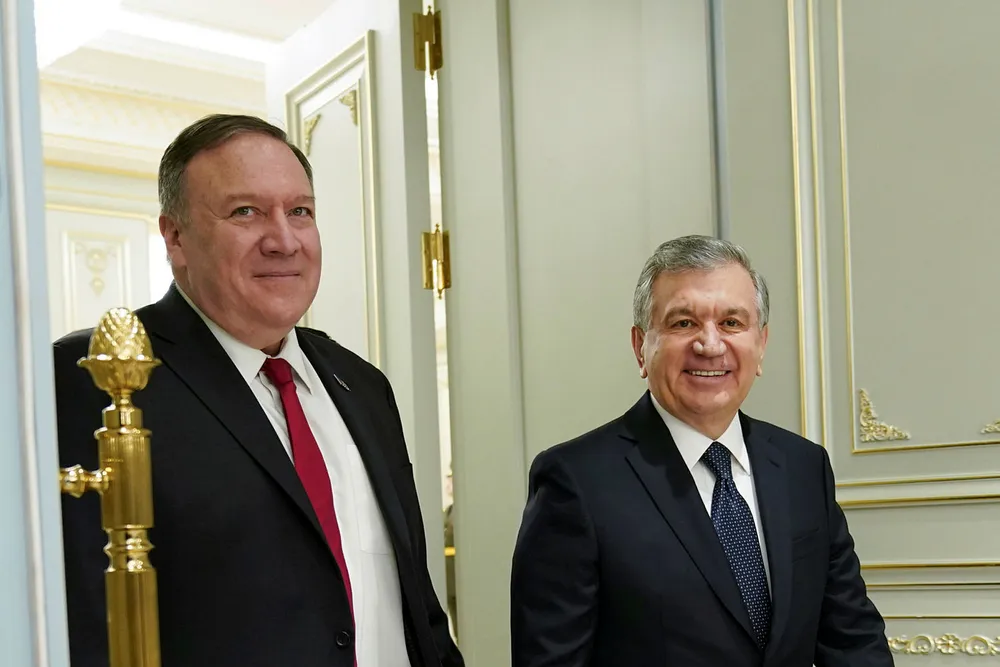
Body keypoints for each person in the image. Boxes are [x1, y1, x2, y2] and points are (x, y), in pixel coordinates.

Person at [55, 114, 464, 667]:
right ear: (175, 237)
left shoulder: (363, 385)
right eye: (245, 212)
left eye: (300, 211)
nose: (284, 241)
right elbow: (82, 620)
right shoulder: (99, 378)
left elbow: (415, 608)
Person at [510, 235, 893, 667]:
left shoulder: (803, 467)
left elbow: (853, 641)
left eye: (731, 323)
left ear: (761, 344)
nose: (710, 345)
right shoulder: (576, 482)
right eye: (683, 323)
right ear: (640, 347)